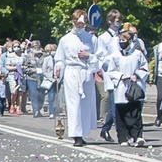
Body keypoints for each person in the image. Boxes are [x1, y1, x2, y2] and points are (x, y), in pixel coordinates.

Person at [54, 10, 102, 147]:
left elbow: (99, 57)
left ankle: (83, 131)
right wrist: (58, 67)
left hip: (85, 72)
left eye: (83, 24)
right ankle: (76, 135)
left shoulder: (92, 39)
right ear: (73, 22)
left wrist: (89, 56)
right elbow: (60, 58)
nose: (80, 26)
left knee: (85, 104)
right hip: (72, 72)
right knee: (74, 103)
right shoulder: (65, 39)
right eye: (78, 23)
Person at [104, 30, 149, 146]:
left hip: (134, 87)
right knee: (121, 113)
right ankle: (123, 137)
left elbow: (145, 68)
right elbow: (111, 71)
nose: (121, 43)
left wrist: (137, 75)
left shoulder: (137, 54)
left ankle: (137, 136)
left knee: (135, 112)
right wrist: (121, 76)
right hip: (121, 86)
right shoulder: (115, 55)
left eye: (124, 40)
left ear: (130, 41)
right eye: (120, 40)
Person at [98, 10, 123, 142]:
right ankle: (116, 131)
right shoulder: (103, 38)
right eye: (117, 20)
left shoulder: (122, 36)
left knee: (119, 103)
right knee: (115, 103)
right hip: (111, 74)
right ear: (110, 21)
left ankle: (107, 129)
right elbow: (101, 58)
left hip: (123, 74)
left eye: (120, 21)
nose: (119, 23)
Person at [23, 40, 45, 117]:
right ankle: (35, 110)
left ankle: (39, 108)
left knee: (41, 95)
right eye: (34, 47)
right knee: (34, 93)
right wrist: (32, 70)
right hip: (31, 78)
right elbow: (25, 68)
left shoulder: (44, 56)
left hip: (42, 78)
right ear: (32, 48)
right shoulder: (28, 56)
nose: (36, 48)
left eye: (37, 47)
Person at [42, 43, 58, 119]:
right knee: (51, 97)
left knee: (57, 97)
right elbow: (44, 71)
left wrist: (58, 77)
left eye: (55, 50)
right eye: (52, 50)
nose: (53, 52)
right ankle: (51, 112)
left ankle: (56, 111)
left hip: (58, 80)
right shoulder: (47, 59)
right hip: (50, 80)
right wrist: (51, 79)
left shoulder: (58, 59)